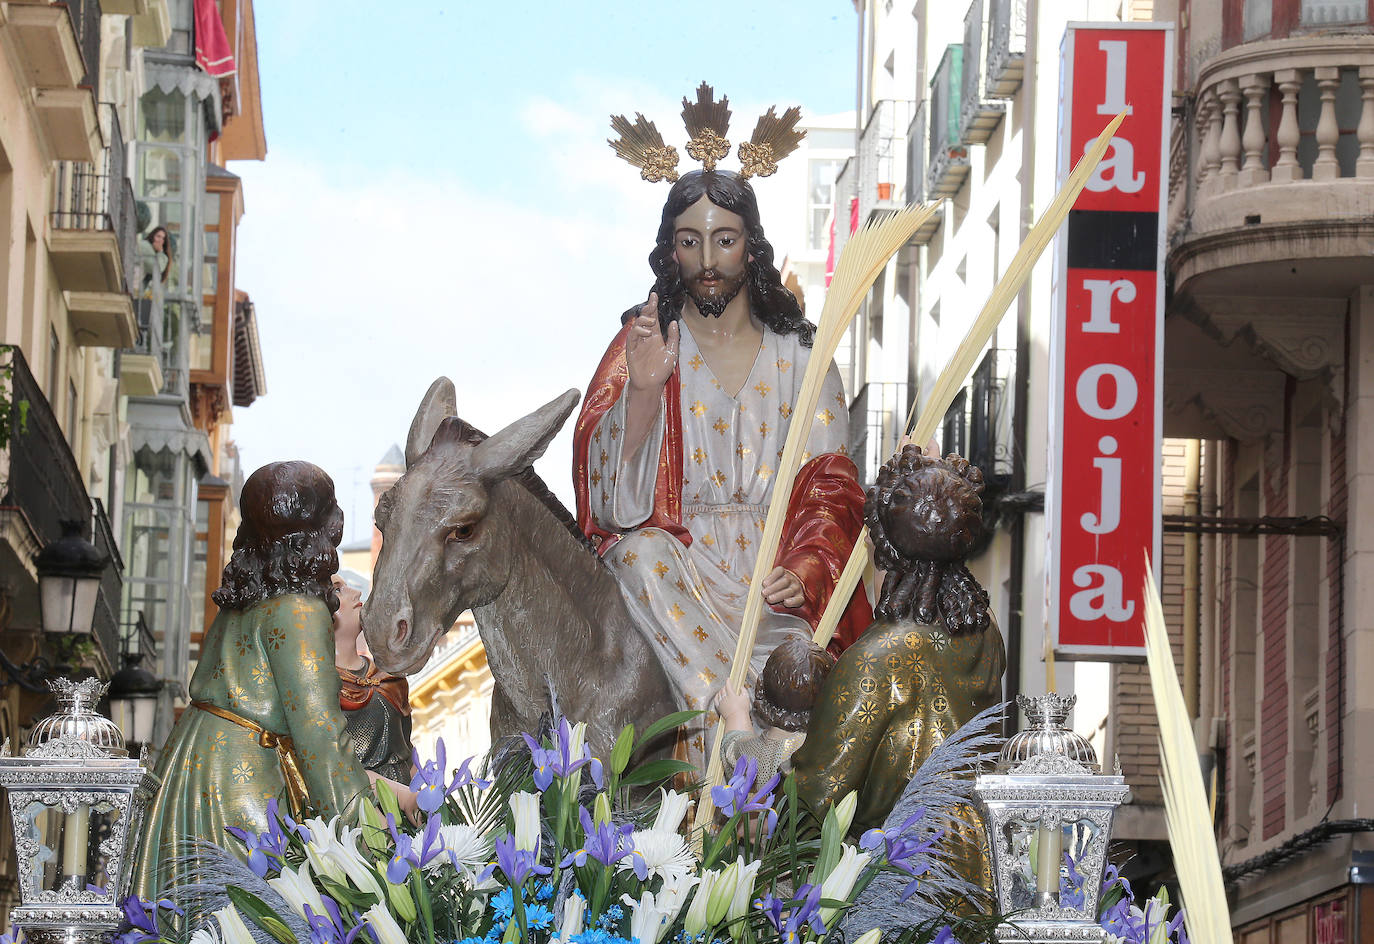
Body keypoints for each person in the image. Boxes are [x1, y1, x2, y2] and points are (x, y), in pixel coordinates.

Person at [573, 168, 872, 765]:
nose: (707, 259)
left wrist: (807, 566)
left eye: (724, 239)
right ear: (670, 249)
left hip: (773, 572)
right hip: (679, 564)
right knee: (636, 552)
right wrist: (643, 390)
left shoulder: (805, 356)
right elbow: (610, 503)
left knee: (798, 662)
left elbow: (831, 488)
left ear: (751, 245)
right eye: (690, 241)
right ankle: (732, 737)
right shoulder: (645, 342)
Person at [134, 462, 375, 898]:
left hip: (191, 763)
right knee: (248, 911)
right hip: (242, 782)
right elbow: (319, 733)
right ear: (324, 530)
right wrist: (369, 838)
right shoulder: (299, 609)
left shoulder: (241, 604)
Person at [792, 447, 1004, 858]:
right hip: (971, 853)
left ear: (881, 544)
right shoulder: (982, 630)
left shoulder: (879, 657)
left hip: (897, 870)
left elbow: (817, 791)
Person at [332, 575, 416, 786]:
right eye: (337, 590)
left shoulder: (388, 676)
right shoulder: (323, 688)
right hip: (360, 809)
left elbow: (408, 751)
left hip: (408, 809)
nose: (356, 593)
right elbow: (335, 768)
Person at [715, 637, 835, 780]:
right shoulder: (831, 748)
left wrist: (735, 713)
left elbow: (734, 751)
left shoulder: (765, 755)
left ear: (761, 688)